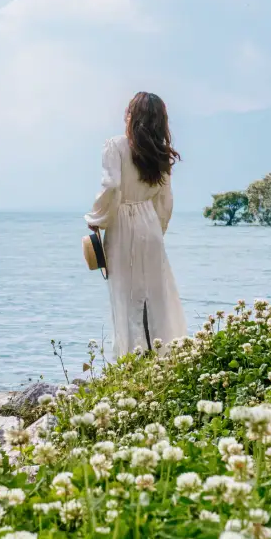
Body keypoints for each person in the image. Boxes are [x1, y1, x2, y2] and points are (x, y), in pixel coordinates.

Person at [85, 91, 187, 358]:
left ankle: (132, 358)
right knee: (155, 296)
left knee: (126, 296)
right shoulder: (161, 154)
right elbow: (165, 201)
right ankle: (164, 354)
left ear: (131, 116)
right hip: (150, 225)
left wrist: (96, 219)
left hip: (122, 225)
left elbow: (112, 187)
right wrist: (157, 230)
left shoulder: (116, 146)